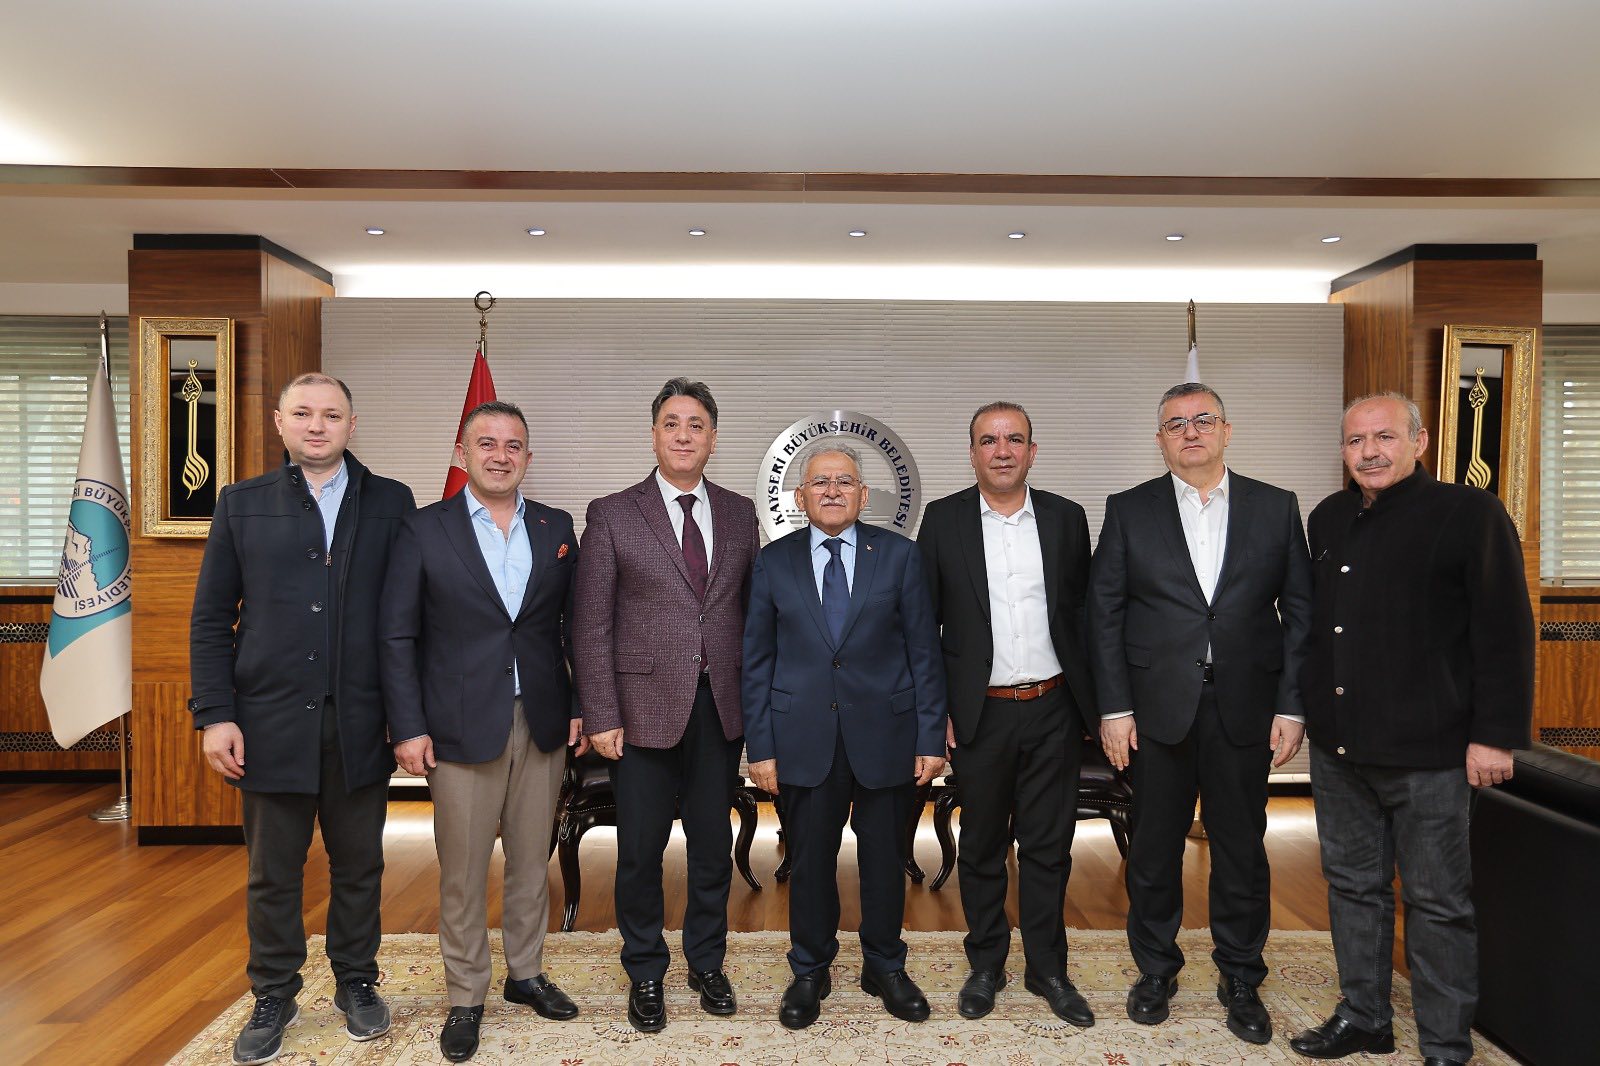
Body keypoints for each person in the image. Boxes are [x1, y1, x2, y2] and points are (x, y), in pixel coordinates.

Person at [1289, 393, 1533, 1066]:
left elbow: (1505, 629)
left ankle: (1446, 1046)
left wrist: (1495, 734)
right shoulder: (1329, 517)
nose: (1369, 451)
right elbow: (1318, 630)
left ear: (1419, 442)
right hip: (1340, 750)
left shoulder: (1470, 513)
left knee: (1437, 902)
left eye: (1385, 437)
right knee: (1352, 888)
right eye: (1355, 440)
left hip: (1431, 755)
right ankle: (1365, 1017)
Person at [189, 373, 415, 1066]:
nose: (317, 426)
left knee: (360, 865)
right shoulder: (242, 504)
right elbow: (210, 618)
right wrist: (215, 715)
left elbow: (406, 618)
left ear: (352, 424)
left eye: (332, 414)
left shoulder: (391, 502)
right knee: (273, 872)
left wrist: (406, 715)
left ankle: (356, 981)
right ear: (280, 422)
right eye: (304, 414)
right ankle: (274, 992)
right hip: (268, 723)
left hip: (360, 721)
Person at [1088, 381, 1312, 1046]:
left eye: (1203, 419)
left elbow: (1301, 614)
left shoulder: (1276, 507)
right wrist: (1114, 708)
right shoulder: (1129, 509)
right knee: (1154, 847)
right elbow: (1104, 614)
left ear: (1226, 430)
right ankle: (1156, 970)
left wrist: (1292, 706)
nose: (1191, 431)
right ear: (1160, 440)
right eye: (1176, 423)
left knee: (1241, 847)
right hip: (1154, 709)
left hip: (1246, 706)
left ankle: (1241, 976)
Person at [379, 401, 585, 1062]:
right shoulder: (423, 529)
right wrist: (407, 726)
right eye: (487, 443)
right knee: (464, 870)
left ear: (529, 457)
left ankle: (526, 974)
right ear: (462, 453)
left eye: (513, 445)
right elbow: (397, 635)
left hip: (542, 719)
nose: (501, 455)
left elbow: (571, 625)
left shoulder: (556, 526)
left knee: (531, 859)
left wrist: (578, 702)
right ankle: (466, 994)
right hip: (457, 723)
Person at [571, 377, 760, 1033]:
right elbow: (590, 623)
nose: (684, 435)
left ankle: (707, 962)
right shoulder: (613, 513)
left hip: (720, 708)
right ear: (654, 435)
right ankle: (645, 970)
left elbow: (750, 615)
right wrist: (601, 713)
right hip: (639, 710)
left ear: (713, 438)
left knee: (711, 846)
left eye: (696, 425)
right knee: (640, 852)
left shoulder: (740, 513)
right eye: (672, 424)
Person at [742, 444, 947, 1029]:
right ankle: (810, 969)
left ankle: (884, 965)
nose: (832, 491)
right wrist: (761, 747)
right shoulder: (772, 562)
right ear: (800, 496)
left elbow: (925, 654)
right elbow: (756, 660)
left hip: (886, 735)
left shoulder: (900, 556)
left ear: (863, 494)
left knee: (885, 858)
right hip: (802, 736)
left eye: (844, 481)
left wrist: (930, 737)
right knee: (809, 862)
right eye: (820, 482)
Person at [916, 401, 1098, 1026]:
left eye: (1014, 439)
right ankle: (986, 964)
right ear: (971, 454)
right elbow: (924, 627)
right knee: (983, 846)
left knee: (1049, 847)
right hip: (980, 713)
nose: (1002, 451)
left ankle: (1048, 968)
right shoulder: (943, 521)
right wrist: (935, 712)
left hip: (1054, 708)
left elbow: (1085, 617)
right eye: (989, 440)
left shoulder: (1067, 518)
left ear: (1032, 451)